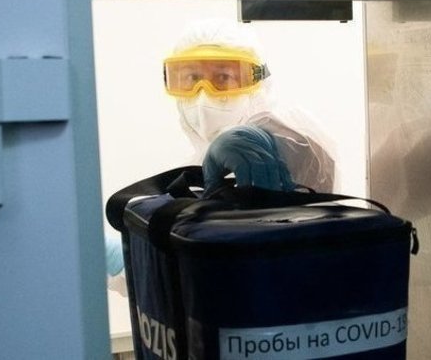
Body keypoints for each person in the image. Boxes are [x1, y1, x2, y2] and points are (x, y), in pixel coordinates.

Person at [106, 19, 336, 282]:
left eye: (223, 77)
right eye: (192, 78)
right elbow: (195, 267)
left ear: (258, 80)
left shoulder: (284, 136)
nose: (204, 96)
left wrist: (267, 143)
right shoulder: (197, 162)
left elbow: (308, 158)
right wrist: (121, 261)